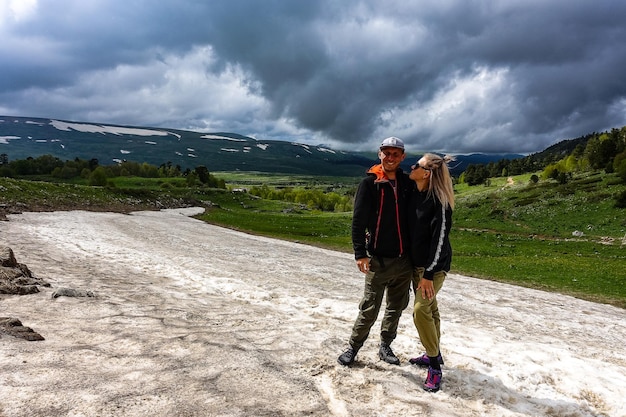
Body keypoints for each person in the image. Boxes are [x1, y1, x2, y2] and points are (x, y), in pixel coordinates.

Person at [338, 137, 413, 366]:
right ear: (379, 154)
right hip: (378, 260)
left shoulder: (408, 183)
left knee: (396, 307)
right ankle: (353, 347)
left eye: (395, 153)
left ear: (402, 156)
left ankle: (385, 346)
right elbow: (358, 221)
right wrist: (360, 253)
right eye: (386, 153)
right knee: (369, 307)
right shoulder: (369, 184)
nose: (390, 157)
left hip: (405, 260)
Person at [407, 153, 455, 392]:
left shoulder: (440, 203)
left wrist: (428, 274)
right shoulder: (416, 194)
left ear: (427, 173)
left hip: (432, 269)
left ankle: (434, 366)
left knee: (420, 310)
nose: (412, 166)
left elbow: (439, 241)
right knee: (431, 309)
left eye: (417, 165)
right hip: (417, 266)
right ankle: (432, 353)